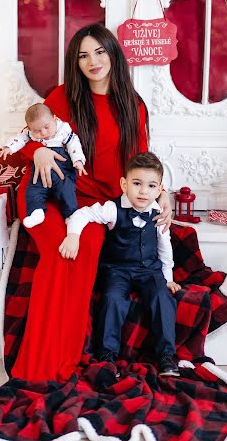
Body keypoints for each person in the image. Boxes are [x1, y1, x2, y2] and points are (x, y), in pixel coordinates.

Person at [11, 23, 172, 382]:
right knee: (57, 254)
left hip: (95, 207)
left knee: (83, 251)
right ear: (75, 62)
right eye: (83, 55)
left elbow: (142, 159)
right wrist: (37, 150)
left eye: (99, 51)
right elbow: (25, 139)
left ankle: (63, 361)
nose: (92, 61)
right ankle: (37, 365)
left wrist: (164, 192)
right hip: (51, 194)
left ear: (113, 53)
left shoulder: (133, 105)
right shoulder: (61, 98)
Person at [60, 151, 181, 377]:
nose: (144, 191)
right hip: (118, 269)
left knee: (162, 298)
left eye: (151, 186)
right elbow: (83, 214)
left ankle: (166, 355)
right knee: (112, 299)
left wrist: (169, 278)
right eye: (137, 183)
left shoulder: (157, 213)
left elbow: (165, 247)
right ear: (124, 184)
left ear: (159, 189)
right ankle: (107, 355)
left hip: (149, 269)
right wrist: (74, 235)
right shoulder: (112, 209)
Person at [1, 103, 87, 228]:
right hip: (39, 171)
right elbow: (20, 138)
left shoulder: (63, 129)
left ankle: (71, 215)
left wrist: (78, 160)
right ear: (30, 129)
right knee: (32, 190)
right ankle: (36, 211)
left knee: (66, 190)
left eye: (47, 127)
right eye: (36, 131)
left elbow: (74, 143)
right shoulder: (30, 133)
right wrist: (9, 147)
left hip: (61, 168)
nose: (43, 133)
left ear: (54, 118)